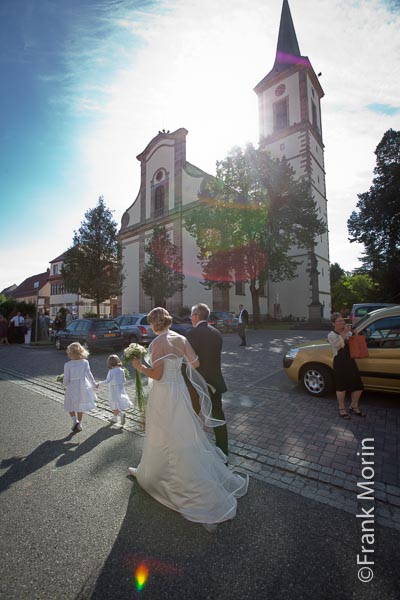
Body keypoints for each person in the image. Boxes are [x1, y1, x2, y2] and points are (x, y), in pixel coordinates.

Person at [128, 307, 248, 532]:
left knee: (162, 432)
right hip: (180, 391)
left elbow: (157, 375)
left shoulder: (157, 344)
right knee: (182, 431)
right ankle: (160, 470)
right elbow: (195, 364)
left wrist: (139, 367)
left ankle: (159, 475)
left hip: (164, 393)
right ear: (168, 321)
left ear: (154, 324)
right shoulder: (181, 338)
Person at [186, 303, 229, 457]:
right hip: (216, 382)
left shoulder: (191, 334)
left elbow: (189, 362)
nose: (191, 319)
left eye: (192, 316)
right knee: (218, 417)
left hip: (196, 385)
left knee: (191, 417)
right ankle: (223, 452)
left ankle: (193, 451)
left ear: (196, 316)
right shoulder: (217, 333)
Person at [327, 313, 365, 419]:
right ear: (333, 323)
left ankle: (354, 406)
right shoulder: (331, 335)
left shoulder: (348, 333)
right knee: (341, 386)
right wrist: (344, 333)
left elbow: (357, 344)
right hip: (339, 362)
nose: (342, 322)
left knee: (358, 386)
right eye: (339, 321)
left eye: (342, 320)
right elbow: (337, 345)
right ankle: (342, 408)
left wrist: (355, 332)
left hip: (350, 361)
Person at [63, 342, 98, 432]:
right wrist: (94, 384)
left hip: (72, 387)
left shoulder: (67, 365)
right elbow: (89, 375)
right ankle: (79, 423)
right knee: (80, 406)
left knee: (70, 405)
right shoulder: (85, 362)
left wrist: (64, 385)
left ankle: (75, 421)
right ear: (81, 352)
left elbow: (66, 378)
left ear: (69, 353)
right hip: (83, 387)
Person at [98, 354, 133, 426]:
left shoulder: (111, 371)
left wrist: (99, 383)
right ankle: (114, 418)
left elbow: (107, 380)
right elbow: (124, 380)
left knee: (114, 404)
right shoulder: (121, 370)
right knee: (117, 403)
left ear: (109, 363)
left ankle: (121, 414)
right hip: (120, 389)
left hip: (113, 389)